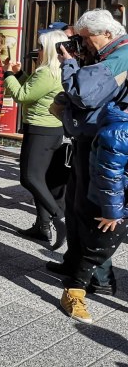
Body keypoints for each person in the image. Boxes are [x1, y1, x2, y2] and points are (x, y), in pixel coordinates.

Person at [49, 9, 128, 299]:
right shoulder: (109, 54)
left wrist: (69, 65)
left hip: (101, 144)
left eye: (85, 38)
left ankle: (100, 277)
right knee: (75, 204)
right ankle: (73, 262)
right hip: (88, 139)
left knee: (91, 210)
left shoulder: (120, 56)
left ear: (107, 34)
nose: (81, 44)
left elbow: (84, 94)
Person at [60, 93, 128, 324]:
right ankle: (73, 292)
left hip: (119, 202)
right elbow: (109, 175)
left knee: (97, 248)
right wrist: (112, 212)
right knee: (97, 250)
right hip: (110, 204)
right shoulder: (119, 131)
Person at [3, 30, 68, 246]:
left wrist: (8, 75)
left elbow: (22, 95)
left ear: (50, 49)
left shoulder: (47, 72)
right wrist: (20, 74)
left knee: (30, 177)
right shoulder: (57, 71)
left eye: (41, 47)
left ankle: (59, 217)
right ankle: (42, 226)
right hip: (52, 130)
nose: (37, 51)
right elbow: (32, 89)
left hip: (40, 130)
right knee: (42, 179)